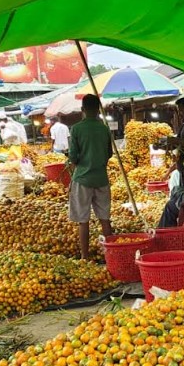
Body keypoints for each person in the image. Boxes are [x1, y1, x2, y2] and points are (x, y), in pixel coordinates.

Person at [68, 94, 114, 260]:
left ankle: (85, 256)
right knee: (105, 218)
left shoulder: (77, 129)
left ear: (83, 110)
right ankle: (112, 255)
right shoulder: (104, 128)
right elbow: (109, 153)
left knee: (83, 220)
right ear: (98, 109)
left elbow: (73, 156)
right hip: (101, 178)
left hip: (82, 179)